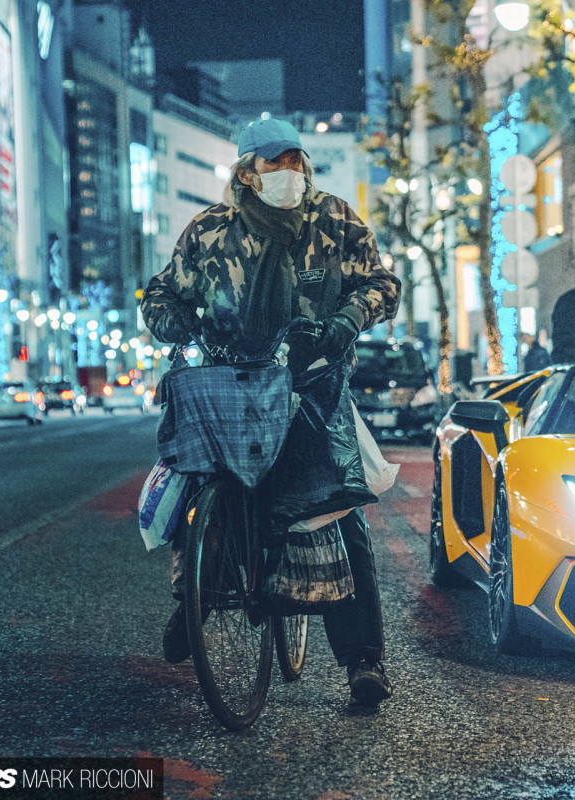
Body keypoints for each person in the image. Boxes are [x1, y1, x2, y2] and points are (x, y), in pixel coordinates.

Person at [140, 117, 401, 706]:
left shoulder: (333, 219)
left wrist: (345, 322)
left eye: (294, 161)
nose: (287, 172)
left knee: (340, 508)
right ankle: (192, 605)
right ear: (246, 171)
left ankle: (363, 662)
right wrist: (175, 322)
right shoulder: (210, 231)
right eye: (273, 162)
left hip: (313, 386)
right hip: (228, 383)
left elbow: (381, 284)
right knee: (198, 489)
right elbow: (159, 295)